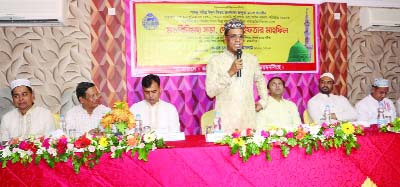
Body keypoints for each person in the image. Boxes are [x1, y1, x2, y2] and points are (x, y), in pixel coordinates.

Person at [205, 18, 268, 132]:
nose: (237, 40)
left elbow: (260, 80)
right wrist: (230, 72)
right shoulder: (215, 61)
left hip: (248, 121)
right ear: (225, 39)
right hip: (226, 123)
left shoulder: (251, 60)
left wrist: (263, 101)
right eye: (233, 36)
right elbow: (210, 92)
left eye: (241, 36)